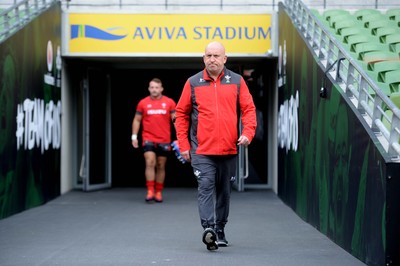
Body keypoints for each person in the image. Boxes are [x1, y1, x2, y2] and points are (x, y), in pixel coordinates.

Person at [174, 41, 257, 251]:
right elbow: (181, 115)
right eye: (208, 55)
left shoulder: (237, 81)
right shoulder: (193, 82)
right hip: (201, 150)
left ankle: (220, 230)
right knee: (205, 187)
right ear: (203, 58)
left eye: (216, 56)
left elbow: (248, 110)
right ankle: (208, 229)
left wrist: (247, 133)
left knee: (224, 192)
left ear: (224, 59)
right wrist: (184, 144)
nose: (212, 59)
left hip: (229, 149)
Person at [131, 78, 176, 203]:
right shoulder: (143, 103)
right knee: (150, 162)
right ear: (149, 88)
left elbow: (176, 120)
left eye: (157, 87)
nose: (154, 89)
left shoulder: (169, 102)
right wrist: (134, 136)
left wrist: (180, 138)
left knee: (161, 165)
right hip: (148, 138)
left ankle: (158, 192)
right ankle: (150, 191)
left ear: (161, 89)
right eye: (152, 87)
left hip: (164, 139)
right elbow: (137, 120)